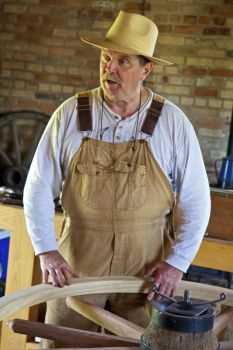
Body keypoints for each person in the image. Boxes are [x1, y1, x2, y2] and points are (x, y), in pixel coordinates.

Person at [23, 10, 210, 348]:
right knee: (64, 342)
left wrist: (176, 262)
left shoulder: (172, 122)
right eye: (106, 58)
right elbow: (37, 186)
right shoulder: (70, 114)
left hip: (145, 270)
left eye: (123, 61)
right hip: (77, 263)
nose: (109, 68)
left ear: (146, 69)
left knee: (135, 343)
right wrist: (46, 251)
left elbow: (196, 200)